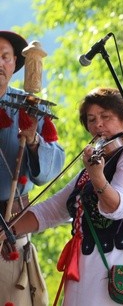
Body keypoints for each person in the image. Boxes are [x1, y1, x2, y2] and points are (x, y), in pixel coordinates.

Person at [2, 88, 123, 305]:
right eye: (91, 119)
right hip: (89, 267)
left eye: (106, 117)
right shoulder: (96, 162)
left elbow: (117, 207)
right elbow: (52, 209)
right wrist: (8, 231)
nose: (98, 125)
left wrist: (97, 177)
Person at [0, 30, 65, 306]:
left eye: (5, 57)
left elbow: (54, 165)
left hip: (10, 226)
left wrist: (35, 140)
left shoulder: (29, 107)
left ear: (15, 64)